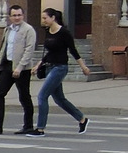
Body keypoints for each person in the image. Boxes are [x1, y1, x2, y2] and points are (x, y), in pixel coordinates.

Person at [31, 7, 88, 135]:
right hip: (49, 66)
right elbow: (49, 52)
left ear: (53, 18)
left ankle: (40, 129)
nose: (43, 20)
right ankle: (82, 119)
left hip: (60, 68)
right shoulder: (48, 31)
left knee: (42, 96)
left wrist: (83, 67)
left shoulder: (64, 33)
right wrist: (38, 64)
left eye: (45, 18)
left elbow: (73, 51)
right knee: (59, 99)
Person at [0, 4, 38, 134]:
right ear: (10, 17)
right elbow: (4, 47)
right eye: (14, 15)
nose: (17, 17)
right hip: (7, 66)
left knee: (24, 96)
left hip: (23, 69)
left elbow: (29, 50)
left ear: (23, 15)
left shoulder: (28, 30)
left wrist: (19, 68)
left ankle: (28, 126)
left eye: (19, 15)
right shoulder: (8, 29)